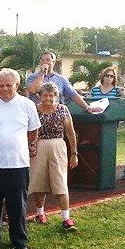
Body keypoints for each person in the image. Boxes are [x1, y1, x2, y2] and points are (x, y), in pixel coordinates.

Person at [0, 68, 40, 249]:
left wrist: (15, 144)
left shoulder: (27, 105)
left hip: (18, 164)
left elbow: (33, 132)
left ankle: (19, 242)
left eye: (8, 85)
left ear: (17, 85)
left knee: (17, 205)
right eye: (1, 85)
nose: (4, 89)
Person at [28, 83, 79, 231]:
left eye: (51, 95)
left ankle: (66, 218)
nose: (48, 98)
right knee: (39, 181)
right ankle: (40, 213)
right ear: (39, 96)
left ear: (56, 96)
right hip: (38, 146)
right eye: (45, 95)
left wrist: (74, 153)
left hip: (57, 145)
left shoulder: (63, 109)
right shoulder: (34, 109)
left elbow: (70, 132)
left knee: (60, 181)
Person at [25, 51, 103, 114]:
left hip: (55, 115)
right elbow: (33, 90)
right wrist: (42, 73)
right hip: (36, 114)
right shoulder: (32, 77)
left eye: (48, 60)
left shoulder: (61, 79)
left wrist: (87, 107)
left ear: (53, 63)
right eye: (43, 60)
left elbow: (73, 94)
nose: (45, 61)